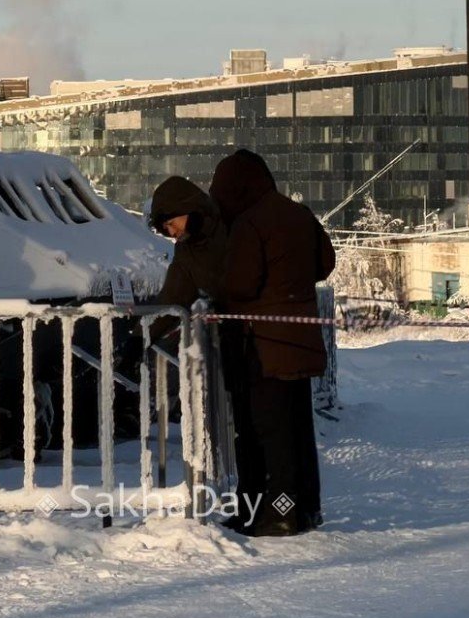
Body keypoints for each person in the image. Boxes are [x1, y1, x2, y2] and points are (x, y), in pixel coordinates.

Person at [209, 149, 335, 536]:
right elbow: (325, 263)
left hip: (261, 346)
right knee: (297, 432)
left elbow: (241, 284)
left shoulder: (249, 222)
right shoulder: (298, 213)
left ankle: (278, 514)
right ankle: (305, 509)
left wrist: (219, 289)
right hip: (298, 342)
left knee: (266, 434)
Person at [116, 175, 227, 371]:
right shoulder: (186, 251)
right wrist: (140, 337)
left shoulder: (230, 224)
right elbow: (172, 298)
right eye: (165, 229)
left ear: (187, 208)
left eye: (170, 223)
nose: (171, 232)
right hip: (232, 338)